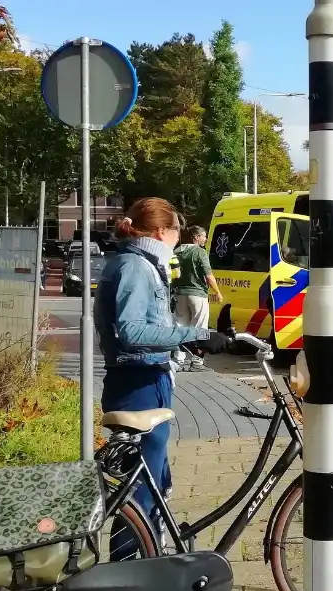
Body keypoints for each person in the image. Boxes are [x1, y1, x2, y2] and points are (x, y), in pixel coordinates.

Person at [94, 197, 230, 561]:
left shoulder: (136, 262)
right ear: (159, 232)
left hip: (142, 379)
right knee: (139, 490)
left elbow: (153, 324)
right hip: (137, 383)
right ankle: (127, 584)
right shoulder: (136, 267)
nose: (178, 238)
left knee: (152, 481)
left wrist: (184, 342)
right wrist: (195, 335)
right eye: (175, 231)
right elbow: (133, 331)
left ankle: (151, 561)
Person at [172, 225, 223, 371]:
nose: (205, 239)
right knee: (200, 328)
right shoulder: (200, 252)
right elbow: (208, 276)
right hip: (197, 294)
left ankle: (178, 361)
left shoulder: (176, 252)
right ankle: (197, 362)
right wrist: (218, 292)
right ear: (196, 237)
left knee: (180, 327)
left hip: (179, 294)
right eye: (203, 236)